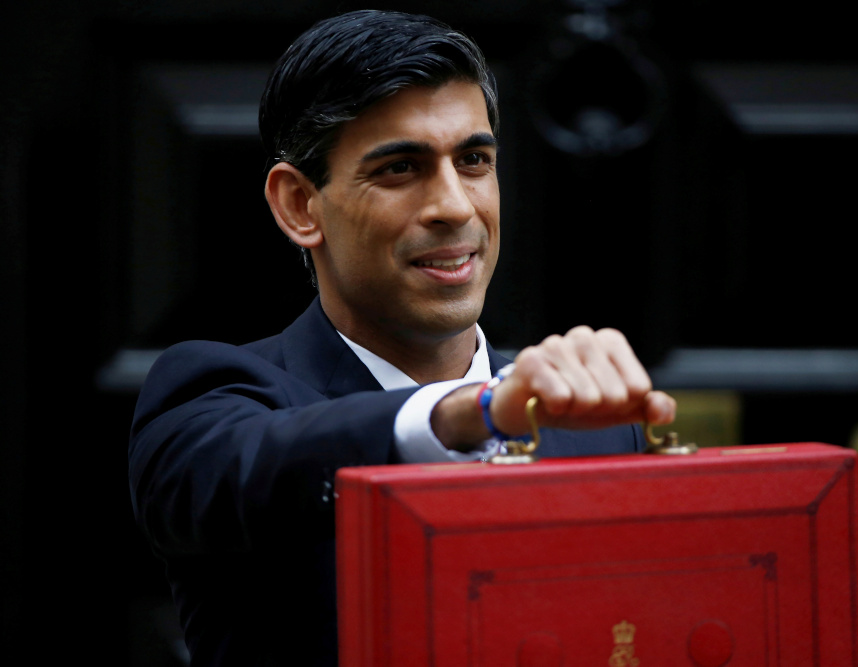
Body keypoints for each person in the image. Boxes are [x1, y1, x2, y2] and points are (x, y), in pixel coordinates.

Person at [128, 9, 675, 666]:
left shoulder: (599, 427)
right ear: (300, 205)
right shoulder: (210, 397)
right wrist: (467, 412)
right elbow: (248, 468)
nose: (454, 205)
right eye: (399, 168)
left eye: (473, 160)